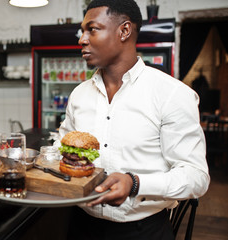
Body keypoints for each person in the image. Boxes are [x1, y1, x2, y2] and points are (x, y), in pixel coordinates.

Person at [57, 0, 210, 239]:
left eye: (92, 29)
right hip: (80, 225)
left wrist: (135, 183)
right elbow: (61, 147)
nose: (82, 39)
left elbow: (195, 177)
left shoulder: (171, 94)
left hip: (142, 230)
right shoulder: (79, 95)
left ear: (124, 31)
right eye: (82, 30)